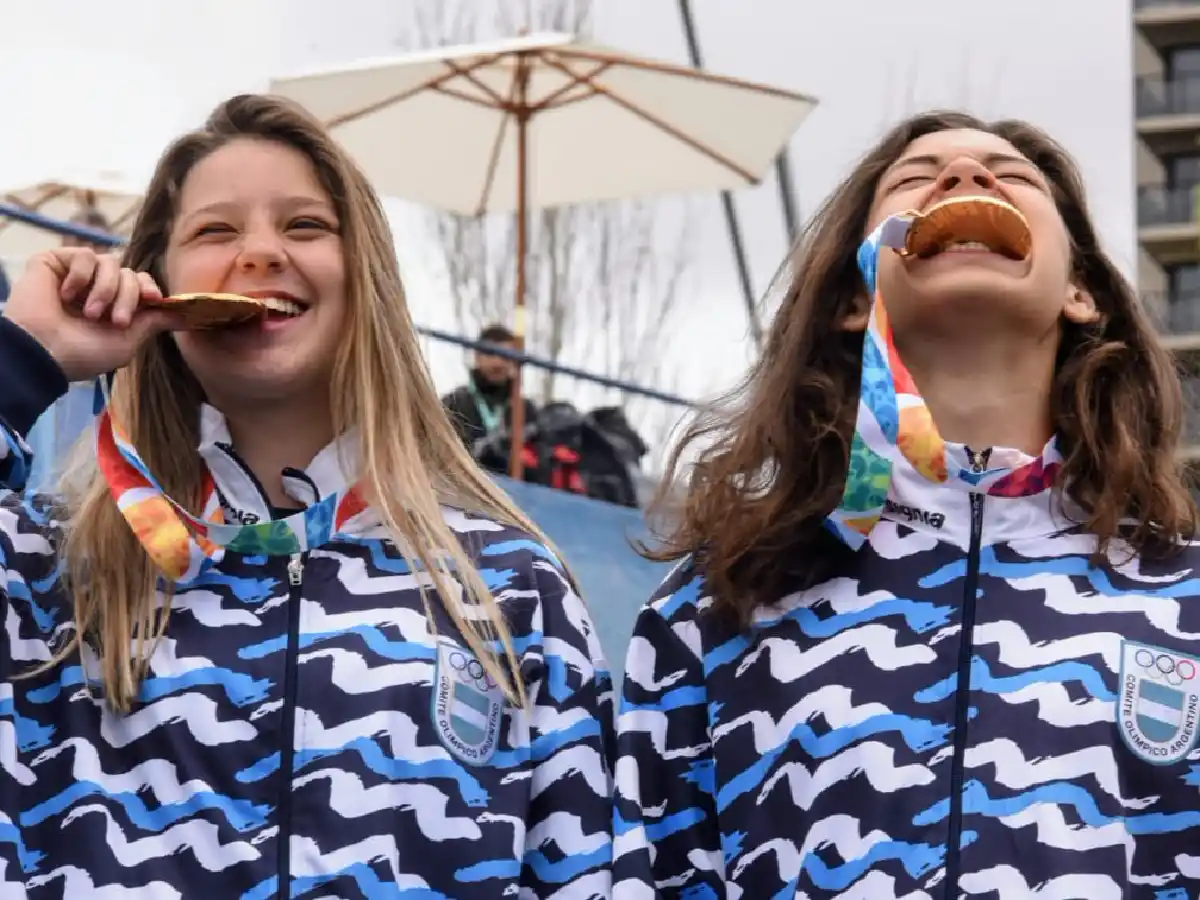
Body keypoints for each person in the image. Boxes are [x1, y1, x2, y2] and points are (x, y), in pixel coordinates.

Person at [0, 94, 613, 898]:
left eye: (304, 226)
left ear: (366, 280)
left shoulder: (509, 585)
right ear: (155, 290)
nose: (259, 252)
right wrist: (22, 358)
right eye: (215, 231)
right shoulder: (49, 571)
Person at [612, 111, 1200, 898]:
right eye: (917, 178)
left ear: (1081, 291)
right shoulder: (720, 602)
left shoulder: (1185, 598)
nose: (966, 177)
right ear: (856, 295)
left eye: (1013, 175)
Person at [443, 324, 538, 473]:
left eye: (505, 356)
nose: (497, 363)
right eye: (490, 354)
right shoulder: (455, 403)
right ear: (477, 357)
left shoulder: (526, 410)